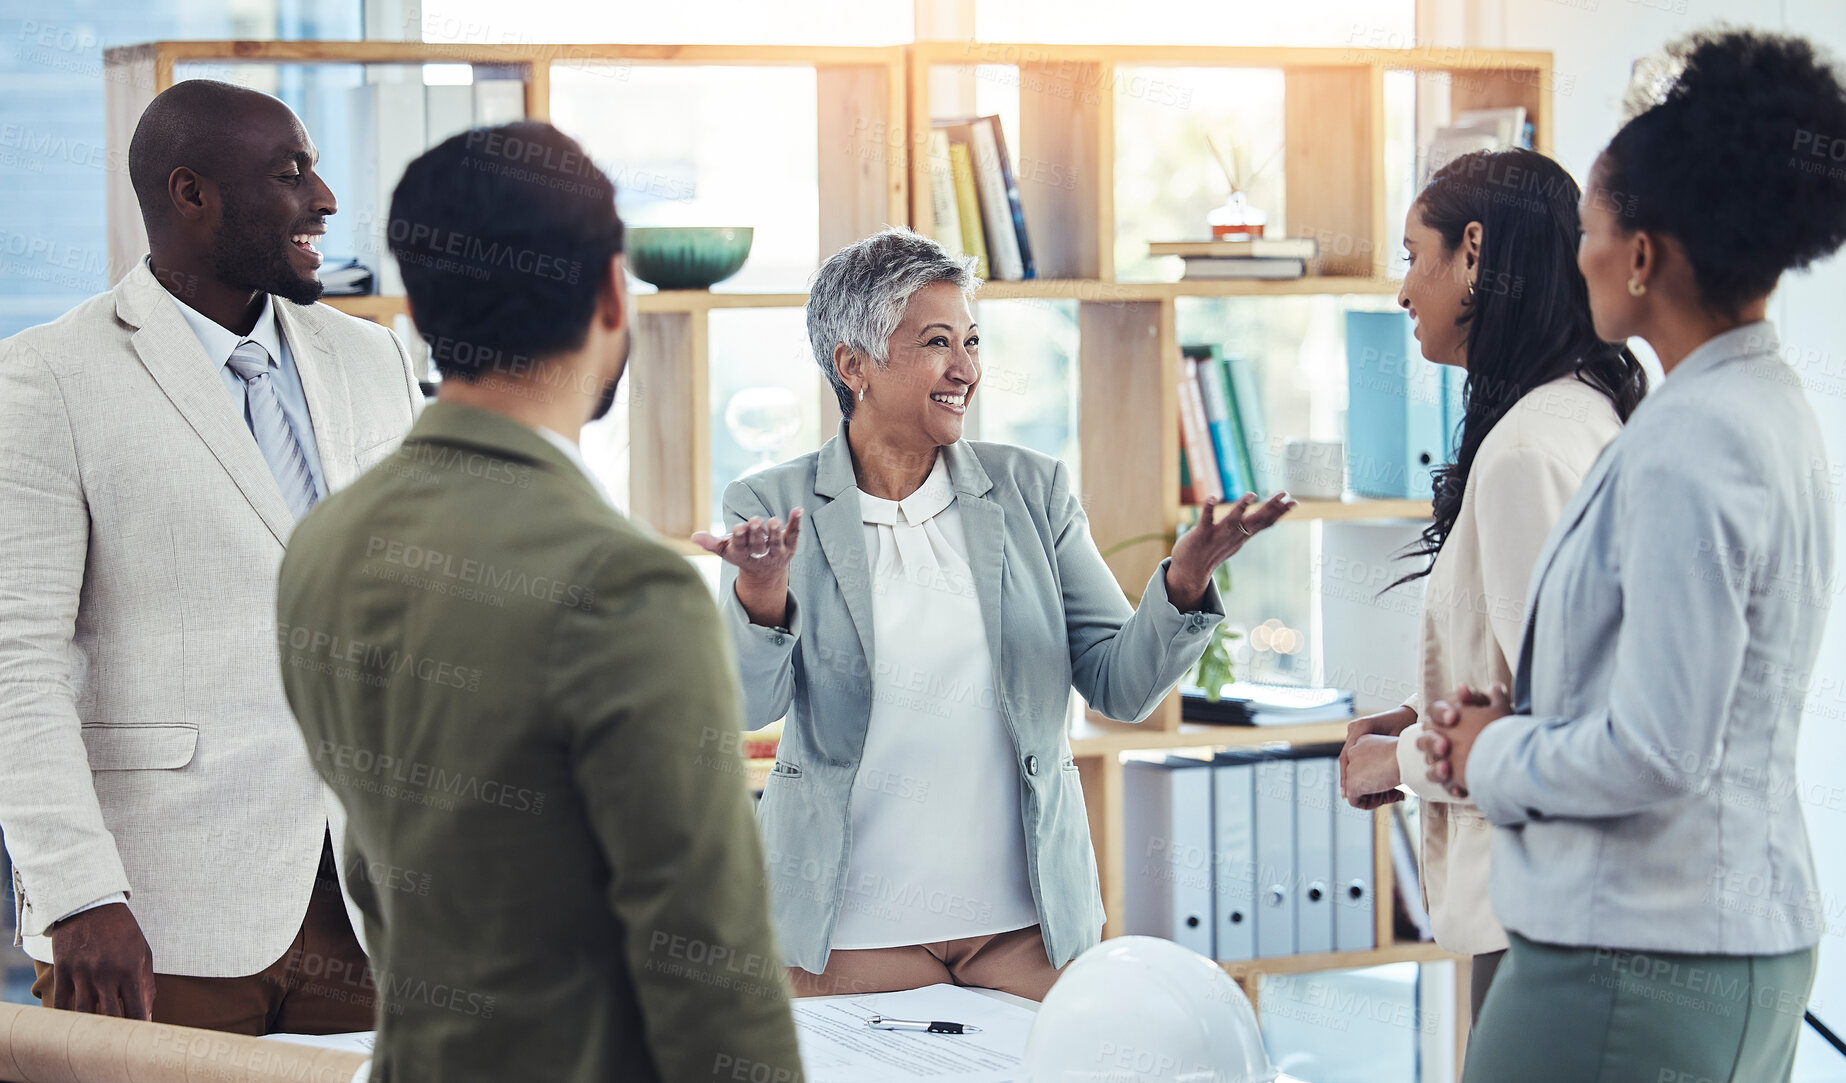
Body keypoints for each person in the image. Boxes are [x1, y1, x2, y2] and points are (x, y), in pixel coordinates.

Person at [276, 121, 802, 1083]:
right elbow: (709, 966)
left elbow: (376, 874)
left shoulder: (325, 544)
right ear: (613, 293)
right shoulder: (626, 585)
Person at [691, 227, 1295, 1000]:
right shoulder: (772, 505)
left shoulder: (1031, 491)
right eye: (938, 342)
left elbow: (1120, 684)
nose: (968, 369)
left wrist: (1185, 579)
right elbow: (749, 706)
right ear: (853, 365)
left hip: (1024, 929)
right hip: (846, 929)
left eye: (971, 340)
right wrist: (763, 593)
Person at [1418, 29, 1846, 1083]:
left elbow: (1656, 749)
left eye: (1593, 231)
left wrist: (1486, 756)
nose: (1579, 256)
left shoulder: (1684, 445)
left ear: (1642, 256)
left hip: (1631, 962)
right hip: (1739, 942)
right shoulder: (1768, 407)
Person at [0, 79, 421, 1032]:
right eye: (291, 172)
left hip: (373, 910)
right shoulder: (47, 378)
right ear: (191, 194)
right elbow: (15, 660)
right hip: (153, 916)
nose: (324, 199)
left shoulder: (374, 361)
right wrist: (74, 892)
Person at [1336, 147, 1646, 1024]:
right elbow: (1541, 664)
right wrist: (1424, 707)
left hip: (1542, 915)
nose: (1402, 292)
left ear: (1473, 250)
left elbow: (1562, 727)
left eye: (1411, 254)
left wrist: (1392, 759)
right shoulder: (1581, 409)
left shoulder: (1526, 452)